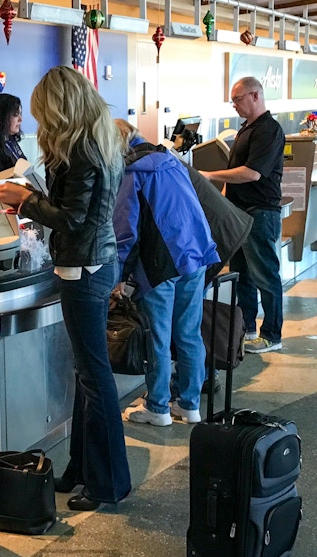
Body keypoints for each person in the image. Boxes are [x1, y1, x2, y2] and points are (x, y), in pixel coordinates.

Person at [0, 66, 130, 511]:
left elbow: (71, 217)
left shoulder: (81, 151)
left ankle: (109, 482)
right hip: (96, 264)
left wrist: (23, 199)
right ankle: (81, 469)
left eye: (43, 115)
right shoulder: (101, 141)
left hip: (84, 271)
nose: (39, 124)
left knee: (95, 378)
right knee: (86, 376)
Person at [113, 120, 220, 426]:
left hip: (160, 263)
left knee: (157, 337)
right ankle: (189, 405)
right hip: (195, 253)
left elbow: (125, 232)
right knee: (189, 333)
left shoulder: (131, 174)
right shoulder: (170, 162)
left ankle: (158, 406)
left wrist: (117, 277)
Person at [200, 77, 285, 354]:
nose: (234, 105)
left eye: (237, 99)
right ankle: (246, 327)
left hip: (259, 213)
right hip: (239, 214)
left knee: (265, 275)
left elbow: (251, 173)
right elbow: (236, 171)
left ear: (255, 95)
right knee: (242, 275)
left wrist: (209, 176)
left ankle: (271, 334)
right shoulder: (246, 129)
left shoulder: (268, 130)